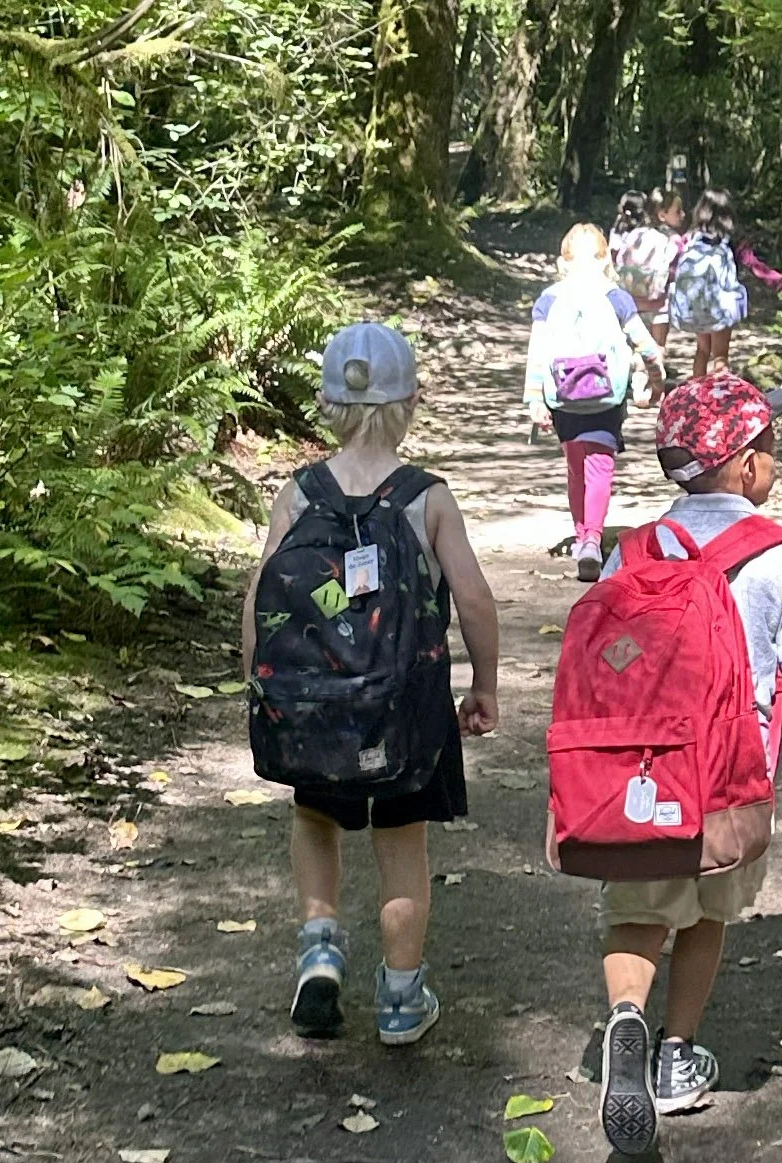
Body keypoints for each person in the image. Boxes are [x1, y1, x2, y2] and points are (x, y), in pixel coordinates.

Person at [241, 322, 503, 1046]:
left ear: (327, 404)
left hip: (314, 703)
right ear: (411, 401)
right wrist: (485, 685)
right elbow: (475, 600)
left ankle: (321, 947)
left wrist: (260, 687)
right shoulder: (427, 497)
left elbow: (263, 590)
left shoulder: (299, 492)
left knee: (315, 819)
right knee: (401, 839)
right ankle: (399, 998)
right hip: (405, 710)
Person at [591, 374, 782, 1155]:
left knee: (637, 907)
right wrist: (752, 716)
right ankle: (675, 1055)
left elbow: (606, 654)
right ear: (749, 466)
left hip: (639, 776)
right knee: (708, 913)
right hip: (731, 779)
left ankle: (626, 1019)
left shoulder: (634, 548)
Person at [526, 223, 667, 581]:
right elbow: (645, 344)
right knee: (600, 466)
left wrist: (534, 399)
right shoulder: (615, 297)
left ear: (564, 261)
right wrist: (656, 375)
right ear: (605, 260)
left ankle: (580, 537)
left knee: (575, 466)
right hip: (605, 397)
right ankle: (592, 538)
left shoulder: (549, 299)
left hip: (564, 398)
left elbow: (537, 352)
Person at [670, 188, 782, 381]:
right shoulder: (732, 240)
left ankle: (695, 399)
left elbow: (674, 268)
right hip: (720, 308)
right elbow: (755, 265)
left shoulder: (690, 238)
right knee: (720, 355)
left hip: (695, 307)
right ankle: (720, 398)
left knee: (702, 351)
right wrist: (781, 282)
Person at [612, 188, 687, 351]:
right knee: (658, 348)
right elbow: (676, 272)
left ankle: (637, 372)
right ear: (662, 215)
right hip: (658, 305)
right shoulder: (673, 240)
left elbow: (620, 261)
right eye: (678, 211)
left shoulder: (636, 234)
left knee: (634, 347)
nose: (683, 214)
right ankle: (655, 374)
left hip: (633, 302)